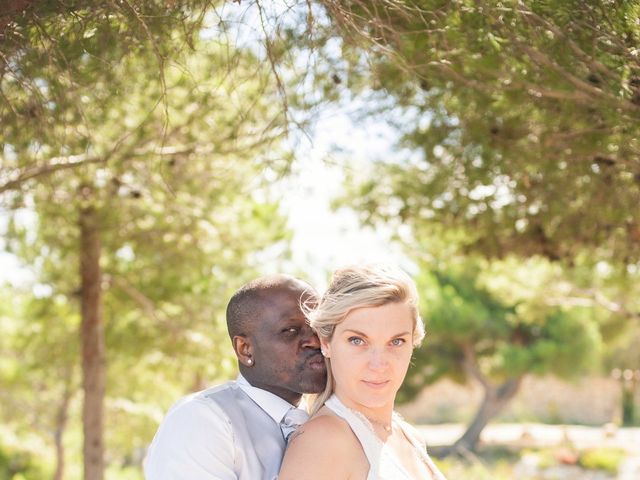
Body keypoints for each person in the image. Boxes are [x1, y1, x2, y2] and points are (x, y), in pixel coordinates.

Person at [144, 274, 327, 480]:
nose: (314, 341)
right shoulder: (203, 419)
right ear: (245, 349)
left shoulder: (329, 419)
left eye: (319, 328)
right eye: (291, 330)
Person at [279, 265, 446, 480]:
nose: (378, 364)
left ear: (412, 343)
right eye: (357, 341)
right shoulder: (323, 441)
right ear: (326, 343)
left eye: (396, 341)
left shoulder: (408, 436)